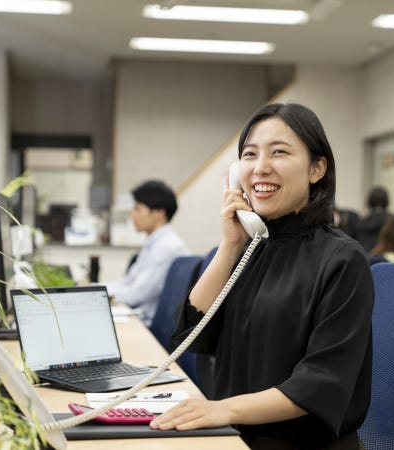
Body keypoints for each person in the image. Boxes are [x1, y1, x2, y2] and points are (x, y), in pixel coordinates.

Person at [150, 103, 374, 450]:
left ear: (317, 168)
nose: (260, 168)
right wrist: (230, 244)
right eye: (249, 155)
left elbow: (319, 385)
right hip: (234, 438)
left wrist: (222, 410)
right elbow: (190, 338)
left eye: (279, 153)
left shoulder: (342, 259)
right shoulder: (248, 249)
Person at [104, 180, 190, 326]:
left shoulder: (166, 247)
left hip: (147, 325)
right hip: (140, 318)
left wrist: (99, 294)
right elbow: (128, 283)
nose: (132, 215)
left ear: (158, 213)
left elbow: (137, 294)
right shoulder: (154, 243)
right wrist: (96, 289)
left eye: (138, 209)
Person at [356, 186, 389, 252]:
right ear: (386, 201)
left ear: (369, 201)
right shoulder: (391, 222)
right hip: (385, 259)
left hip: (365, 258)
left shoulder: (360, 223)